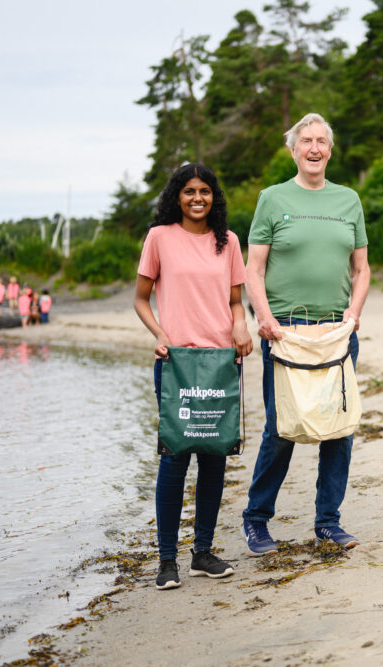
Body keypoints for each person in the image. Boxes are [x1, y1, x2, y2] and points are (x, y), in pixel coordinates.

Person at [241, 113, 370, 555]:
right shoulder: (272, 199)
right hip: (285, 333)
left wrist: (353, 313)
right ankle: (256, 521)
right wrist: (263, 316)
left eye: (322, 141)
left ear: (330, 150)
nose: (314, 148)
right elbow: (253, 267)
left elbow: (362, 268)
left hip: (337, 331)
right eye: (306, 141)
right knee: (281, 429)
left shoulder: (349, 199)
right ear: (293, 149)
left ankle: (328, 522)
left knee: (339, 429)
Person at [134, 162, 253, 590]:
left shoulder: (229, 241)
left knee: (214, 457)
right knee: (175, 459)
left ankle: (202, 552)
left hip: (221, 361)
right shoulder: (159, 238)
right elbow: (142, 299)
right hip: (177, 362)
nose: (197, 198)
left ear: (213, 196)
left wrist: (240, 325)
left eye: (204, 191)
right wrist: (160, 334)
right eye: (189, 191)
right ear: (176, 196)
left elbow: (236, 302)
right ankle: (167, 561)